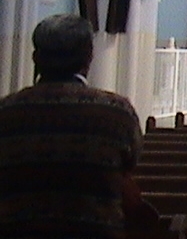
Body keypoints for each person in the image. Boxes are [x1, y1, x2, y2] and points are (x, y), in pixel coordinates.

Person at [0, 14, 144, 239]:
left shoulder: (6, 112)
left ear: (36, 58)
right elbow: (130, 164)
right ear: (89, 58)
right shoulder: (117, 112)